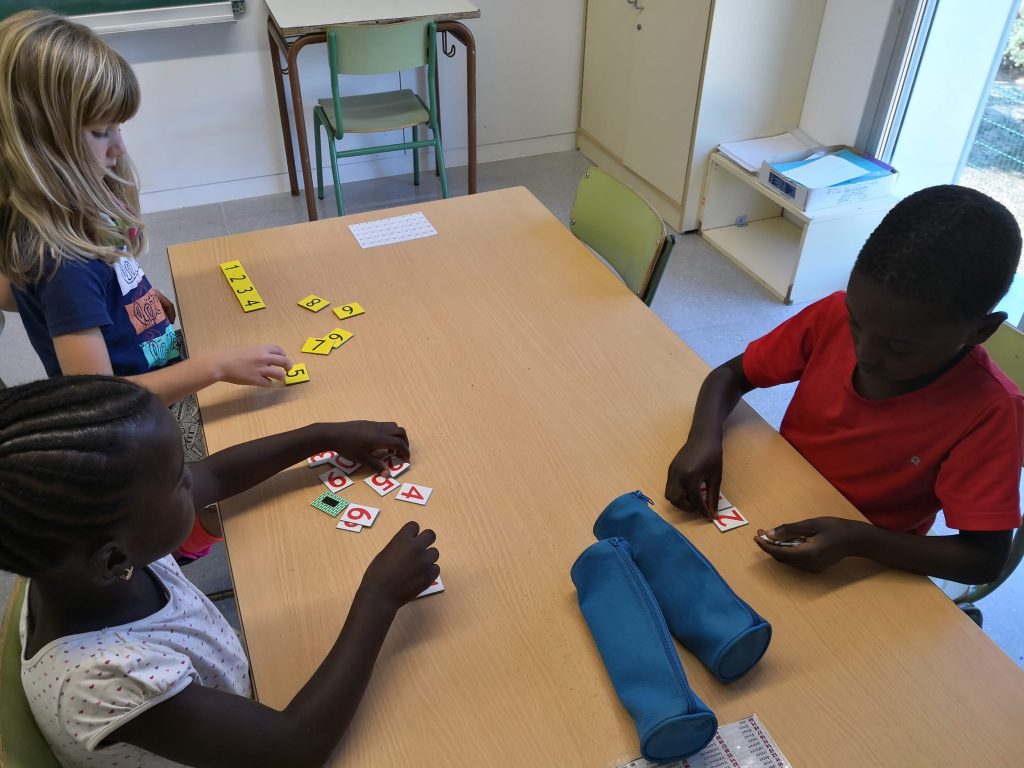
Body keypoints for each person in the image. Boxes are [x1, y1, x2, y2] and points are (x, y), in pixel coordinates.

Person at [1, 375, 440, 768]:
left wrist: (323, 436)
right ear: (114, 560)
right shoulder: (102, 680)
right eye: (179, 481)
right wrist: (379, 597)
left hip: (227, 705)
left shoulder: (83, 556)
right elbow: (294, 749)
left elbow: (215, 474)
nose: (192, 478)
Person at [0, 10, 292, 562]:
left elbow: (21, 291)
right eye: (101, 132)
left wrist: (127, 299)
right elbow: (103, 401)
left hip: (155, 385)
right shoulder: (64, 263)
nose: (119, 147)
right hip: (137, 429)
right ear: (40, 142)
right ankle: (179, 546)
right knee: (256, 468)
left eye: (118, 127)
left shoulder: (66, 221)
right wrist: (216, 366)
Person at [665, 185, 1023, 585]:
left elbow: (984, 559)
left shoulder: (991, 410)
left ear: (980, 331)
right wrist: (704, 437)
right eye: (856, 322)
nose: (865, 354)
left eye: (899, 347)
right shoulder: (833, 315)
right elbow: (730, 375)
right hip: (781, 492)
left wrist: (859, 540)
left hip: (870, 561)